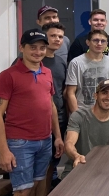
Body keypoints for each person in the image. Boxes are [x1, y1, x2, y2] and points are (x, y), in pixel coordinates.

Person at [0, 28, 64, 195]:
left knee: (37, 185)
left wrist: (58, 137)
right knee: (22, 191)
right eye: (33, 47)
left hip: (45, 140)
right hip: (20, 142)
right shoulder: (8, 75)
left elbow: (51, 106)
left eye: (42, 47)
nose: (38, 52)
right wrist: (4, 150)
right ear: (22, 48)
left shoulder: (47, 72)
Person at [62, 79, 109, 179]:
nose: (108, 97)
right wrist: (76, 156)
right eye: (104, 93)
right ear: (95, 95)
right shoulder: (78, 116)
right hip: (77, 169)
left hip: (102, 172)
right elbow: (69, 143)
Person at [40, 22, 69, 191]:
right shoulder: (31, 59)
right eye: (53, 36)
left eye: (60, 37)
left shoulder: (60, 62)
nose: (57, 40)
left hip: (59, 118)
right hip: (38, 121)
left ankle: (48, 189)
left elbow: (62, 91)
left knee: (53, 160)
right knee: (40, 166)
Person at [66, 30, 109, 113]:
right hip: (83, 114)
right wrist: (76, 117)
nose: (99, 43)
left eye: (103, 41)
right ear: (88, 42)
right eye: (95, 40)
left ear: (106, 44)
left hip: (106, 115)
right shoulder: (76, 63)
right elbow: (70, 93)